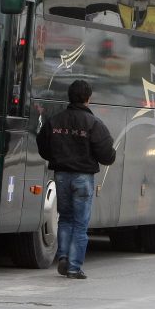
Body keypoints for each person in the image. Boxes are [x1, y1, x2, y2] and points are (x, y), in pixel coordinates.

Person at [36, 79, 115, 280]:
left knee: (65, 218)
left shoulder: (54, 121)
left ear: (69, 96)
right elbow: (107, 155)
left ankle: (62, 256)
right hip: (83, 178)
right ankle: (74, 267)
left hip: (61, 176)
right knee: (81, 223)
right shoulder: (94, 124)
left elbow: (43, 145)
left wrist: (56, 158)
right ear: (88, 98)